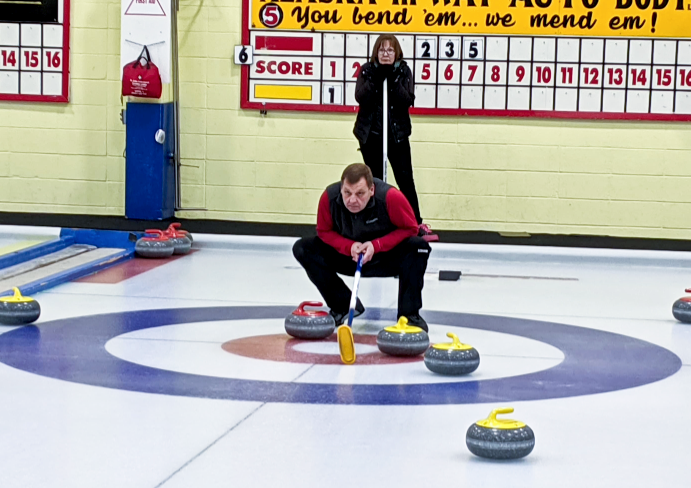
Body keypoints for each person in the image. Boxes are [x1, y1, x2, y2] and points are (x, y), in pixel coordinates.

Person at [292, 163, 431, 331]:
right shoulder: (328, 198)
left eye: (360, 194)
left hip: (385, 257)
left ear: (371, 190)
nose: (352, 200)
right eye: (347, 193)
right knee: (303, 248)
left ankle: (409, 317)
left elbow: (411, 229)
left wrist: (377, 245)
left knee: (418, 247)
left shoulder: (391, 197)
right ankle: (342, 305)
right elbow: (324, 231)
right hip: (349, 256)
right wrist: (348, 246)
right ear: (341, 188)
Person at [354, 34, 438, 242]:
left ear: (396, 53)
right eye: (382, 50)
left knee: (405, 181)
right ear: (376, 52)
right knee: (375, 183)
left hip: (397, 136)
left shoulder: (403, 71)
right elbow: (361, 97)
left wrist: (391, 79)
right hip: (371, 136)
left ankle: (416, 223)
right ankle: (375, 224)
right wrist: (376, 77)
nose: (385, 54)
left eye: (390, 50)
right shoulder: (367, 70)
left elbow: (407, 99)